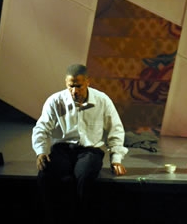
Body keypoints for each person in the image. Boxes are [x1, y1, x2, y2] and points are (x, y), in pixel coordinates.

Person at [32, 63, 128, 223]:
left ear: (88, 82)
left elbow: (115, 130)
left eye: (78, 86)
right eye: (71, 86)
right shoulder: (55, 101)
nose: (74, 91)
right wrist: (41, 151)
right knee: (46, 176)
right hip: (62, 149)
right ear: (65, 83)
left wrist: (116, 158)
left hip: (90, 150)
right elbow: (41, 128)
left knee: (84, 177)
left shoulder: (102, 100)